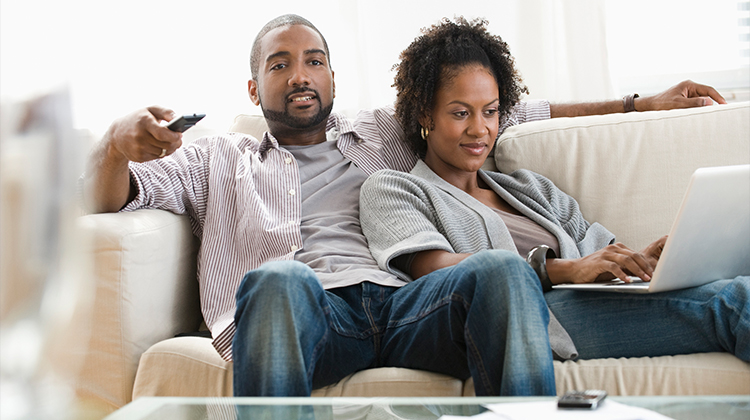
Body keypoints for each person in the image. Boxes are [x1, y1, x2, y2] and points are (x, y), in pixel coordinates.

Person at [81, 14, 731, 396]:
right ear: (255, 86)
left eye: (315, 60)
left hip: (399, 304)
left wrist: (638, 104)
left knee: (499, 269)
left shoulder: (381, 132)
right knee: (277, 278)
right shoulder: (213, 158)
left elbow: (507, 110)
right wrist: (116, 144)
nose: (301, 73)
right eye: (281, 64)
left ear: (333, 78)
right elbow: (110, 198)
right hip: (306, 312)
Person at [358, 17, 749, 385]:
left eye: (491, 112)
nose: (480, 130)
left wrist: (645, 260)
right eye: (461, 113)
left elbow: (598, 253)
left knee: (740, 282)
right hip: (537, 322)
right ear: (425, 112)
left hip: (593, 303)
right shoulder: (393, 189)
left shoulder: (531, 188)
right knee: (733, 301)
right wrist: (561, 270)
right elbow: (438, 270)